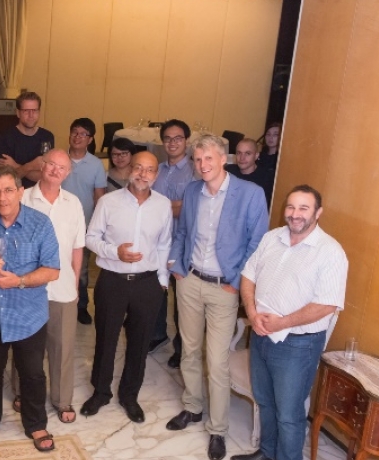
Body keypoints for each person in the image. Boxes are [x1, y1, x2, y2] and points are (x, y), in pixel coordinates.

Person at [165, 135, 269, 460]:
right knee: (188, 350)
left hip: (225, 288)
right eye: (198, 160)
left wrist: (236, 283)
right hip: (190, 281)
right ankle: (193, 407)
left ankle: (218, 429)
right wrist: (176, 266)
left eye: (209, 158)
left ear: (224, 159)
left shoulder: (250, 193)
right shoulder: (192, 191)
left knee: (217, 360)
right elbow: (182, 232)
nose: (202, 165)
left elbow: (257, 245)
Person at [231, 185, 347, 460]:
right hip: (261, 334)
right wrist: (252, 312)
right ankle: (267, 453)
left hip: (298, 346)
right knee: (265, 402)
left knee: (289, 414)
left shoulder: (330, 252)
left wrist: (283, 323)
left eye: (304, 208)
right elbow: (248, 275)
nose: (295, 214)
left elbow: (327, 304)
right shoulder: (272, 238)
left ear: (318, 212)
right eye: (291, 207)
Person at [0, 167, 60, 452]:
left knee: (32, 373)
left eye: (8, 190)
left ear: (20, 192)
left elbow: (52, 270)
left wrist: (19, 281)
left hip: (28, 314)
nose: (2, 197)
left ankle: (36, 423)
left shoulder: (40, 224)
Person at [81, 151, 172, 423]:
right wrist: (114, 252)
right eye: (138, 168)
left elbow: (165, 244)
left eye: (149, 170)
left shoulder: (163, 205)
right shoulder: (108, 202)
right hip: (112, 280)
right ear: (130, 169)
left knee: (140, 343)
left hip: (147, 283)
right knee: (105, 339)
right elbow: (90, 238)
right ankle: (100, 392)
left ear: (156, 175)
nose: (143, 174)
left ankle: (129, 395)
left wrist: (162, 281)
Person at [15, 149, 85, 424]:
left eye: (62, 167)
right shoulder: (23, 198)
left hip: (63, 287)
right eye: (51, 164)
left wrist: (76, 283)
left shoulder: (73, 203)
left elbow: (77, 247)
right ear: (42, 166)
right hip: (28, 287)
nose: (56, 170)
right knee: (25, 345)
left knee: (62, 347)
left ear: (68, 173)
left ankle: (62, 399)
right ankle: (22, 392)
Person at [148, 119, 196, 369]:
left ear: (186, 141)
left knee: (181, 298)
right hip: (156, 240)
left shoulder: (194, 171)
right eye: (167, 138)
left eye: (178, 138)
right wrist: (173, 205)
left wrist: (164, 207)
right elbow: (147, 200)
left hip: (182, 242)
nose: (172, 143)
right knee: (156, 289)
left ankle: (181, 347)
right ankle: (157, 334)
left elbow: (191, 208)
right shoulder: (158, 170)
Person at [62, 118, 107, 325]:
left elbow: (99, 197)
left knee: (81, 270)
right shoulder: (60, 159)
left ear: (90, 139)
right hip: (58, 224)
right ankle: (59, 304)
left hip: (84, 226)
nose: (77, 137)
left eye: (83, 134)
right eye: (74, 132)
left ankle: (80, 306)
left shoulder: (96, 164)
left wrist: (97, 228)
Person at [0, 92, 54, 188]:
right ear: (18, 113)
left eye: (34, 110)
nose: (31, 115)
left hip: (39, 194)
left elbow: (44, 177)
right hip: (13, 193)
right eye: (26, 111)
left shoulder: (47, 137)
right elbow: (7, 177)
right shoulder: (5, 137)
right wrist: (31, 166)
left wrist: (16, 166)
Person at [225, 138, 274, 208]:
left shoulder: (266, 179)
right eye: (239, 153)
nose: (242, 158)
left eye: (247, 153)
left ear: (256, 156)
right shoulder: (228, 172)